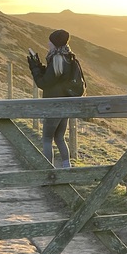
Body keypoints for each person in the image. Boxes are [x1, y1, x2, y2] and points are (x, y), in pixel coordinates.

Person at [26, 29, 79, 168]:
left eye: (50, 41)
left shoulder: (57, 59)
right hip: (65, 104)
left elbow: (43, 83)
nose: (48, 43)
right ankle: (67, 168)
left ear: (55, 43)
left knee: (47, 139)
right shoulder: (68, 57)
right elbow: (54, 78)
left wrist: (34, 68)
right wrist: (39, 66)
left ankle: (47, 170)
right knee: (60, 138)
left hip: (53, 105)